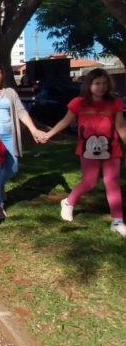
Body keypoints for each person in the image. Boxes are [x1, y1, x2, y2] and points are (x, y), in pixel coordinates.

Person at [42, 68, 126, 237]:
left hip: (112, 150)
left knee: (112, 183)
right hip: (88, 151)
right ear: (89, 85)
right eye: (97, 84)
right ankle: (68, 203)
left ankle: (117, 221)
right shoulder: (78, 103)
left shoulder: (115, 103)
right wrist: (48, 134)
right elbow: (65, 121)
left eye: (104, 83)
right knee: (89, 183)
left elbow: (121, 127)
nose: (101, 87)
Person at [0, 63, 45, 219]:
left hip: (9, 135)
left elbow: (21, 111)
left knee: (13, 167)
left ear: (2, 75)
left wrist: (33, 130)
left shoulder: (10, 92)